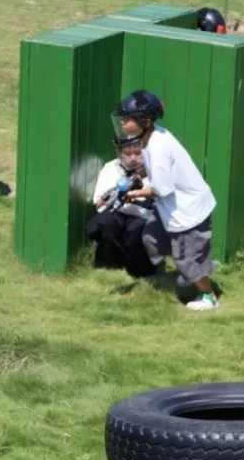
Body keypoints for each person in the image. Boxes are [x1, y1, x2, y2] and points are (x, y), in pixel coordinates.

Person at [113, 90, 220, 312]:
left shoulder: (159, 147)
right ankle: (195, 263)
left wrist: (131, 194)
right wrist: (135, 179)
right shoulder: (152, 137)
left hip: (188, 212)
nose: (123, 123)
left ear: (146, 121)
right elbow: (154, 171)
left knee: (187, 258)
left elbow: (161, 189)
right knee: (152, 238)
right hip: (171, 208)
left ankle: (208, 295)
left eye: (128, 119)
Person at [85, 133, 157, 277]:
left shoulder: (156, 169)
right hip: (118, 211)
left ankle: (140, 273)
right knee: (106, 224)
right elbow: (99, 204)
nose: (133, 158)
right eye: (127, 153)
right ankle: (107, 270)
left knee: (137, 231)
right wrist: (118, 191)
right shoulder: (111, 168)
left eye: (137, 153)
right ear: (119, 153)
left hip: (143, 214)